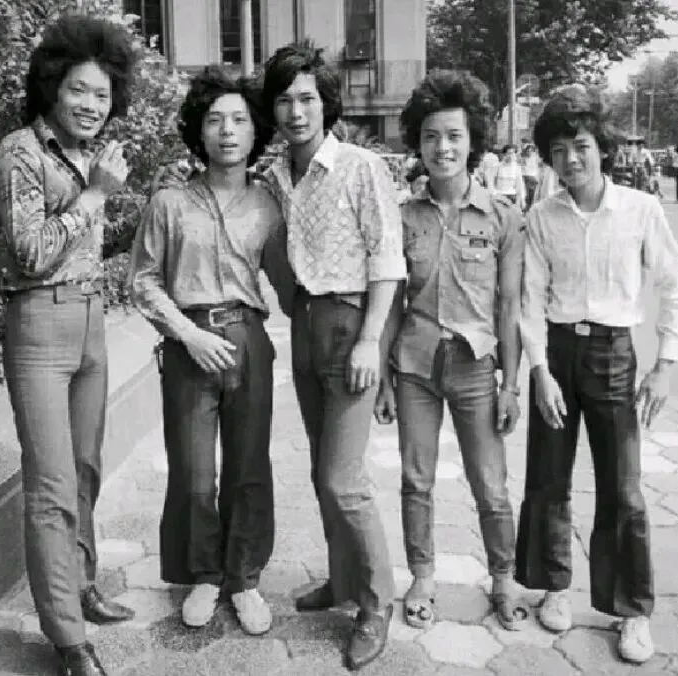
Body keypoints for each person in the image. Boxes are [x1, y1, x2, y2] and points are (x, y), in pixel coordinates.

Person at [516, 84, 678, 665]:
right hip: (557, 354)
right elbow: (530, 299)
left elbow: (674, 282)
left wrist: (665, 363)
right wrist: (539, 371)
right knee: (548, 476)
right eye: (559, 150)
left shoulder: (639, 210)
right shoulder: (542, 217)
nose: (571, 159)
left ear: (603, 148)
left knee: (622, 486)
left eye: (582, 146)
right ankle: (554, 586)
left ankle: (631, 610)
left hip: (615, 355)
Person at [0, 15, 137, 676]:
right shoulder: (20, 153)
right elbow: (31, 252)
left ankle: (80, 585)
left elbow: (86, 246)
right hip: (39, 326)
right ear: (52, 86)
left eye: (102, 95)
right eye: (80, 90)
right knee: (51, 485)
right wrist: (97, 194)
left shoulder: (86, 155)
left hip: (90, 321)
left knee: (84, 469)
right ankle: (68, 640)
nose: (91, 105)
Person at [127, 66, 295, 636]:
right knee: (194, 472)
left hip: (249, 341)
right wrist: (188, 334)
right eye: (215, 120)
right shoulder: (170, 202)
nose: (227, 131)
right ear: (198, 130)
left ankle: (243, 578)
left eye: (239, 120)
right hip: (189, 345)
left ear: (255, 132)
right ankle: (203, 573)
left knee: (249, 468)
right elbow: (143, 280)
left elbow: (289, 281)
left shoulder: (269, 204)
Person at [260, 40, 405, 671]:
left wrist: (372, 338)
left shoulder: (360, 166)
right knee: (323, 470)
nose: (296, 112)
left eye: (307, 99)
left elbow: (387, 257)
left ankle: (376, 604)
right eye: (285, 101)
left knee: (344, 480)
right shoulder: (276, 176)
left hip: (351, 325)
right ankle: (343, 580)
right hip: (305, 325)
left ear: (326, 104)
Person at [373, 69, 529, 632]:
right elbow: (392, 302)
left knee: (490, 483)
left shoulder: (504, 217)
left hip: (475, 369)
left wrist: (511, 385)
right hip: (415, 366)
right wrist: (385, 377)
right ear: (418, 142)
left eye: (454, 136)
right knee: (416, 479)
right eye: (431, 136)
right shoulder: (402, 217)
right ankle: (422, 578)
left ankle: (504, 578)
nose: (443, 148)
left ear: (473, 142)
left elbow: (509, 308)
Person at [493, 144, 527, 209]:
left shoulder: (517, 167)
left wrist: (522, 200)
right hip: (500, 196)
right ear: (504, 154)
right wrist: (494, 195)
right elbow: (492, 182)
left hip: (512, 196)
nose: (512, 155)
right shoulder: (498, 166)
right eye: (509, 153)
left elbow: (520, 185)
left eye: (513, 153)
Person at [521, 143, 541, 208]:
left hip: (533, 177)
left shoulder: (536, 158)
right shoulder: (523, 158)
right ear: (526, 151)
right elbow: (522, 168)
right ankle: (527, 206)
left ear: (533, 151)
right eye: (528, 151)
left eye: (531, 151)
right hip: (525, 176)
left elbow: (539, 167)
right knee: (526, 193)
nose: (529, 152)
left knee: (532, 193)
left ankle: (530, 206)